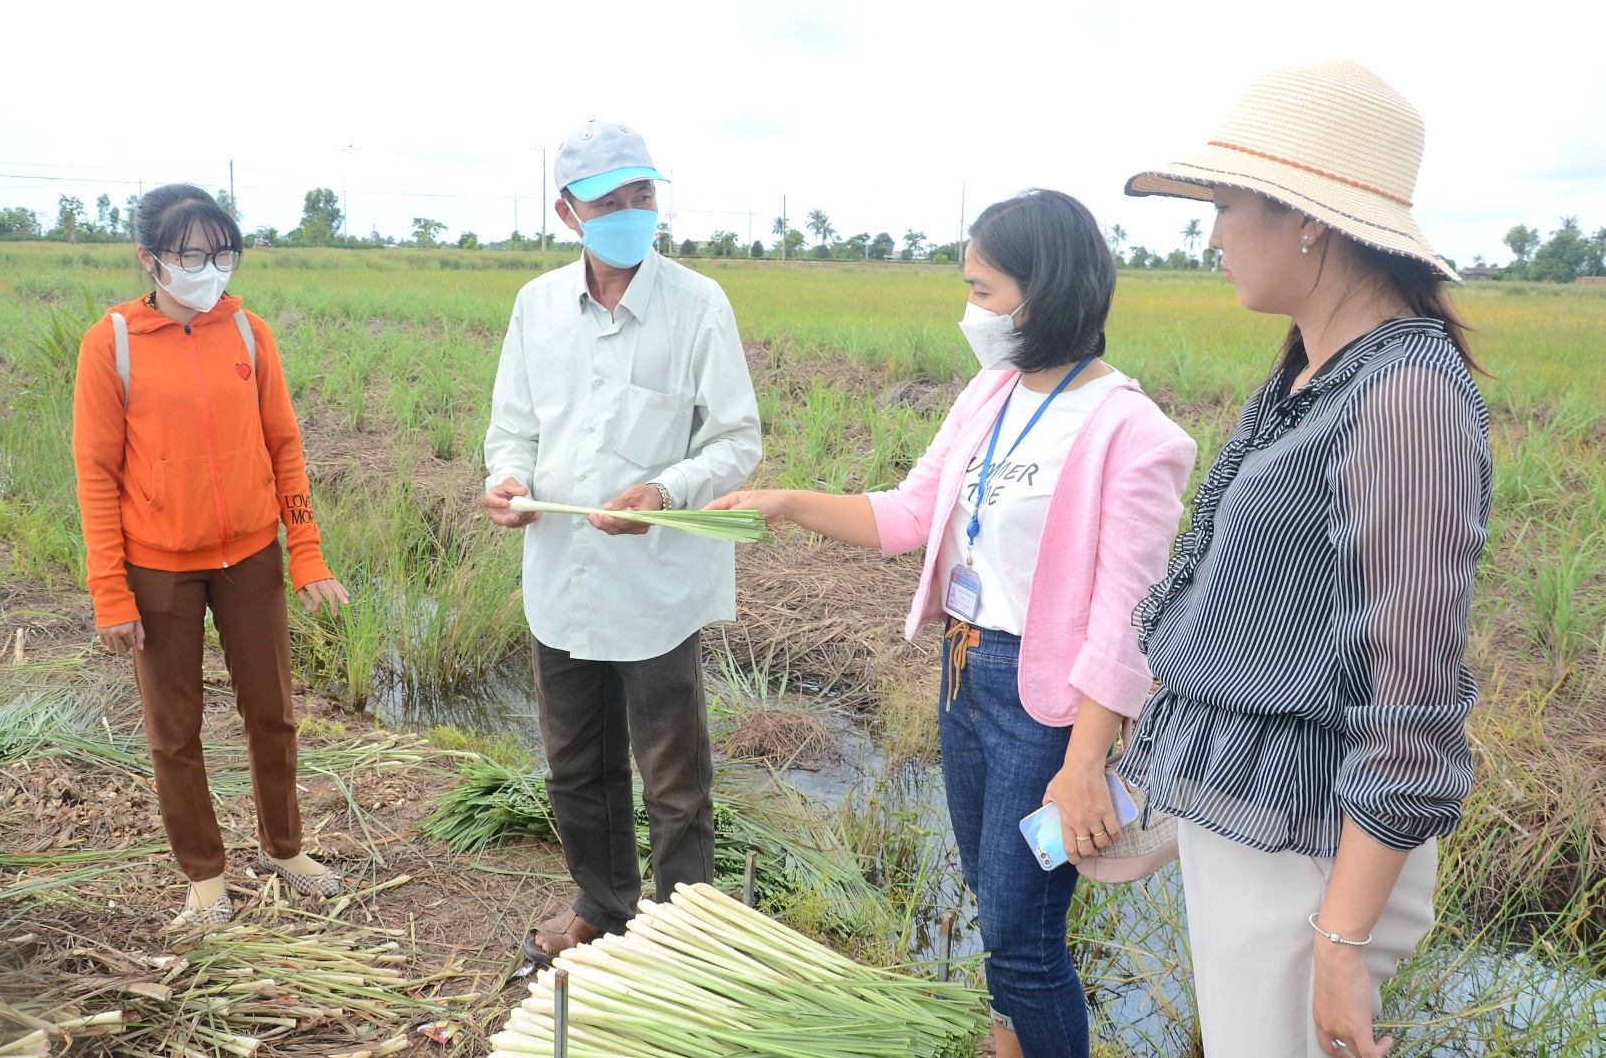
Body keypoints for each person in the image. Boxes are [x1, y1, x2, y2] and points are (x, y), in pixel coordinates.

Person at [710, 189, 1194, 1057]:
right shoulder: (990, 393)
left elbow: (1127, 622)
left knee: (1023, 939)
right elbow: (908, 513)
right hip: (965, 674)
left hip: (1044, 704)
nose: (970, 311)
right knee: (991, 898)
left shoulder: (1134, 434)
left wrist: (1086, 761)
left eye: (983, 290)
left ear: (1044, 293)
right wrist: (786, 503)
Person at [1120, 60, 1493, 1058]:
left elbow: (1409, 700)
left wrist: (1340, 940)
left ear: (1308, 219)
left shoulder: (1406, 396)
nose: (1212, 236)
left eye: (1226, 205)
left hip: (1307, 864)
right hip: (1259, 838)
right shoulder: (1312, 371)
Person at [481, 120, 762, 965]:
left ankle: (683, 931)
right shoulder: (537, 307)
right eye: (610, 201)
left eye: (643, 195)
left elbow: (736, 439)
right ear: (569, 213)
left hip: (657, 585)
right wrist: (509, 485)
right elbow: (513, 431)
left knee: (673, 774)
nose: (632, 213)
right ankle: (602, 904)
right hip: (563, 577)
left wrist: (664, 490)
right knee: (574, 767)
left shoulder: (698, 303)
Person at [72, 184, 351, 927]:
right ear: (150, 259)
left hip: (252, 556)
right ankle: (204, 876)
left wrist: (308, 554)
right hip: (158, 566)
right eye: (191, 254)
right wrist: (111, 592)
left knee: (273, 713)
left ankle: (284, 847)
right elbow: (95, 475)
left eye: (221, 253)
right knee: (176, 729)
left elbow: (284, 449)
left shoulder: (250, 334)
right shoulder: (115, 344)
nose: (209, 268)